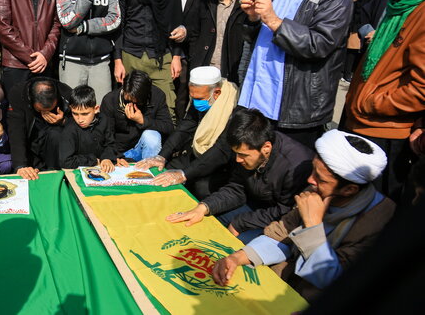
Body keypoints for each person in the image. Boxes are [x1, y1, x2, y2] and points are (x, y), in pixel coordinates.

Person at [211, 129, 395, 301]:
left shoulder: (378, 222)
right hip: (286, 276)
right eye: (313, 170)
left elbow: (330, 279)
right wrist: (237, 257)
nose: (310, 180)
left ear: (349, 189)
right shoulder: (317, 191)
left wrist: (313, 225)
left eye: (320, 179)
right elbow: (281, 233)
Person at [237, 0, 353, 149]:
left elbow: (319, 44)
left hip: (295, 112)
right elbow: (252, 38)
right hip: (257, 101)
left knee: (286, 178)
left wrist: (274, 21)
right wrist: (253, 18)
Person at [344, 0, 425, 202]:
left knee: (368, 220)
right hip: (361, 123)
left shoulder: (421, 15)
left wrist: (371, 102)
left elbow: (420, 89)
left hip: (387, 136)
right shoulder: (397, 2)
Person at [166, 108, 313, 243]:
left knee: (239, 241)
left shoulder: (295, 166)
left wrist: (240, 223)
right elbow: (236, 187)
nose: (238, 160)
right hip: (254, 204)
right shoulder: (247, 149)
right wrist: (204, 207)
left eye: (243, 155)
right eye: (236, 153)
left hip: (280, 221)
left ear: (266, 148)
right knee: (207, 219)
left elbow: (284, 212)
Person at [136, 66, 239, 199]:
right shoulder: (200, 100)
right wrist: (162, 156)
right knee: (165, 169)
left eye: (200, 98)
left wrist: (183, 174)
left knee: (201, 187)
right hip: (197, 153)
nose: (196, 103)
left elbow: (219, 152)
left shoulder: (233, 110)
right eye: (193, 98)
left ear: (217, 93)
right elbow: (184, 127)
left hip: (219, 164)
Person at [115, 0, 186, 120]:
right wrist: (118, 60)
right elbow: (120, 25)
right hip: (131, 54)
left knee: (168, 107)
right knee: (130, 108)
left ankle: (164, 149)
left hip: (162, 55)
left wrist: (177, 56)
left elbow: (175, 18)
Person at [56, 0, 121, 103]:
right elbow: (67, 21)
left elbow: (114, 19)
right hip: (71, 59)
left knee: (101, 110)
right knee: (71, 111)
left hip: (101, 60)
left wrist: (84, 27)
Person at [189, 0, 248, 86]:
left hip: (233, 78)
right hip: (204, 77)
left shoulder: (246, 2)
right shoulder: (205, 1)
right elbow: (194, 35)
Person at [101, 70, 173, 161]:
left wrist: (142, 120)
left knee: (152, 136)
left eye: (136, 102)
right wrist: (115, 158)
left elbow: (168, 127)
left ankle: (150, 171)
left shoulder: (157, 96)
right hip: (120, 152)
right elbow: (106, 135)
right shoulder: (110, 100)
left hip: (144, 149)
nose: (131, 104)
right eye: (128, 100)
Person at [8, 77, 72, 180]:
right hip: (30, 143)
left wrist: (63, 121)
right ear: (31, 100)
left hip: (54, 144)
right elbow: (16, 131)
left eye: (50, 110)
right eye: (40, 110)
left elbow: (80, 122)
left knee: (56, 134)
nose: (45, 114)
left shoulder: (66, 93)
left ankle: (55, 173)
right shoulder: (18, 93)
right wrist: (20, 166)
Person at [59, 85, 126, 170]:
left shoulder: (104, 120)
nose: (80, 119)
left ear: (96, 109)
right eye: (75, 113)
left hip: (105, 166)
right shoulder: (70, 129)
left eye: (85, 114)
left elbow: (110, 144)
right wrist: (94, 161)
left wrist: (106, 158)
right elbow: (65, 161)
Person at [176, 0, 208, 120]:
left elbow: (202, 21)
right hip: (166, 49)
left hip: (191, 51)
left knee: (184, 94)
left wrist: (187, 32)